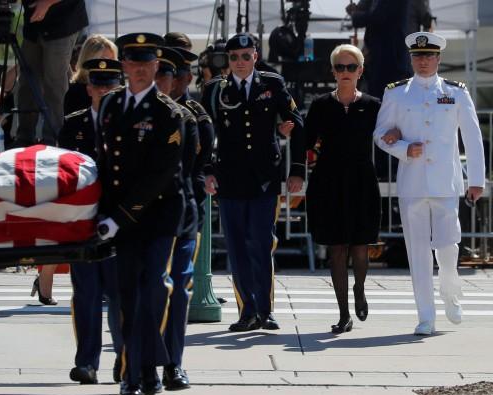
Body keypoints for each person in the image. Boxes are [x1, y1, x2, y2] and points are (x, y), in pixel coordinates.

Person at [374, 32, 486, 336]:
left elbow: (472, 138)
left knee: (449, 247)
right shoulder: (397, 93)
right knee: (418, 251)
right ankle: (426, 315)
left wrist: (476, 180)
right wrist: (402, 148)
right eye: (418, 56)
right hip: (412, 182)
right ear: (411, 58)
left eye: (429, 56)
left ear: (438, 59)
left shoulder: (456, 92)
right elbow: (380, 133)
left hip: (446, 182)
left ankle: (450, 289)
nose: (423, 62)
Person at [96, 32, 184, 395]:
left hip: (157, 215)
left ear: (155, 67)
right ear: (125, 67)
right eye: (134, 63)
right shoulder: (111, 105)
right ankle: (134, 371)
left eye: (149, 64)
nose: (142, 70)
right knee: (127, 294)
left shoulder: (168, 113)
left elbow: (159, 175)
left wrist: (119, 216)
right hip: (121, 219)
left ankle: (147, 369)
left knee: (153, 291)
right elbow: (106, 163)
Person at [201, 33, 306, 332]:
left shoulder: (271, 84)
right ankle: (246, 310)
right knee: (237, 247)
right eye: (234, 57)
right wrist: (207, 170)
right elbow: (206, 135)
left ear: (256, 57)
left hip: (264, 179)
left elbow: (296, 123)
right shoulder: (215, 90)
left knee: (261, 243)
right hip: (231, 179)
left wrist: (296, 169)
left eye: (246, 56)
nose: (240, 63)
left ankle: (265, 309)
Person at [33, 34, 119, 305]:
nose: (106, 66)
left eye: (111, 60)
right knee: (66, 230)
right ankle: (46, 280)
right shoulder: (77, 92)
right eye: (101, 59)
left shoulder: (118, 93)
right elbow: (72, 130)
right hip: (82, 167)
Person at [304, 44, 381, 334]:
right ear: (333, 71)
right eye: (340, 67)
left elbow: (388, 133)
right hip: (329, 180)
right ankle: (343, 313)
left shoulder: (373, 105)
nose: (345, 72)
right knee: (336, 248)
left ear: (360, 71)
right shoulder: (321, 105)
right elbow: (306, 140)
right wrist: (286, 131)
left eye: (351, 67)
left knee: (360, 247)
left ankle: (359, 288)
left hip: (361, 179)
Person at [57, 58, 123, 385]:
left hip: (117, 220)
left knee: (119, 294)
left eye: (110, 84)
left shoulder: (129, 121)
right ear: (88, 89)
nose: (104, 90)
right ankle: (86, 362)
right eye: (98, 85)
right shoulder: (73, 124)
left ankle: (125, 359)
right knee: (86, 294)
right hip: (83, 221)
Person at [0, 0, 88, 146]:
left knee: (54, 82)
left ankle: (53, 139)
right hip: (34, 26)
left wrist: (47, 3)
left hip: (63, 23)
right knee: (27, 81)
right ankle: (24, 137)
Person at [154, 45, 197, 391]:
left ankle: (173, 363)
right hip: (143, 219)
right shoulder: (126, 112)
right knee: (145, 292)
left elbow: (194, 170)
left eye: (167, 76)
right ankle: (139, 361)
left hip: (180, 216)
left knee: (179, 292)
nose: (161, 82)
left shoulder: (189, 118)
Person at [346, 0, 411, 99]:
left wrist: (355, 15)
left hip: (390, 61)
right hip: (380, 60)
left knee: (386, 101)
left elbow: (377, 17)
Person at [63, 34, 118, 116]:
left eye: (112, 60)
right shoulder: (76, 93)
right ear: (88, 60)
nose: (108, 65)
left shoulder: (118, 90)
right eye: (103, 61)